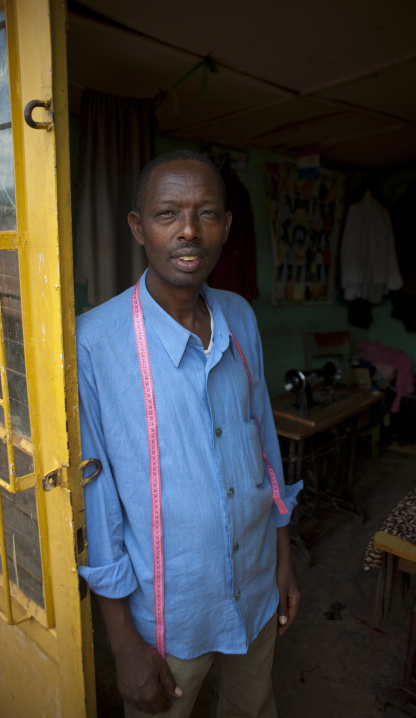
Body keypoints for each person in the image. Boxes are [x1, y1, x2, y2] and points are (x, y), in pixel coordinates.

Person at [77, 150, 302, 718]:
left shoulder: (239, 315)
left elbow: (263, 446)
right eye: (167, 214)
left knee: (253, 705)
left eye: (206, 214)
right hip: (169, 617)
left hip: (255, 586)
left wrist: (283, 558)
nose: (188, 231)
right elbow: (97, 502)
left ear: (226, 227)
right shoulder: (94, 343)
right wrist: (124, 642)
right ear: (138, 227)